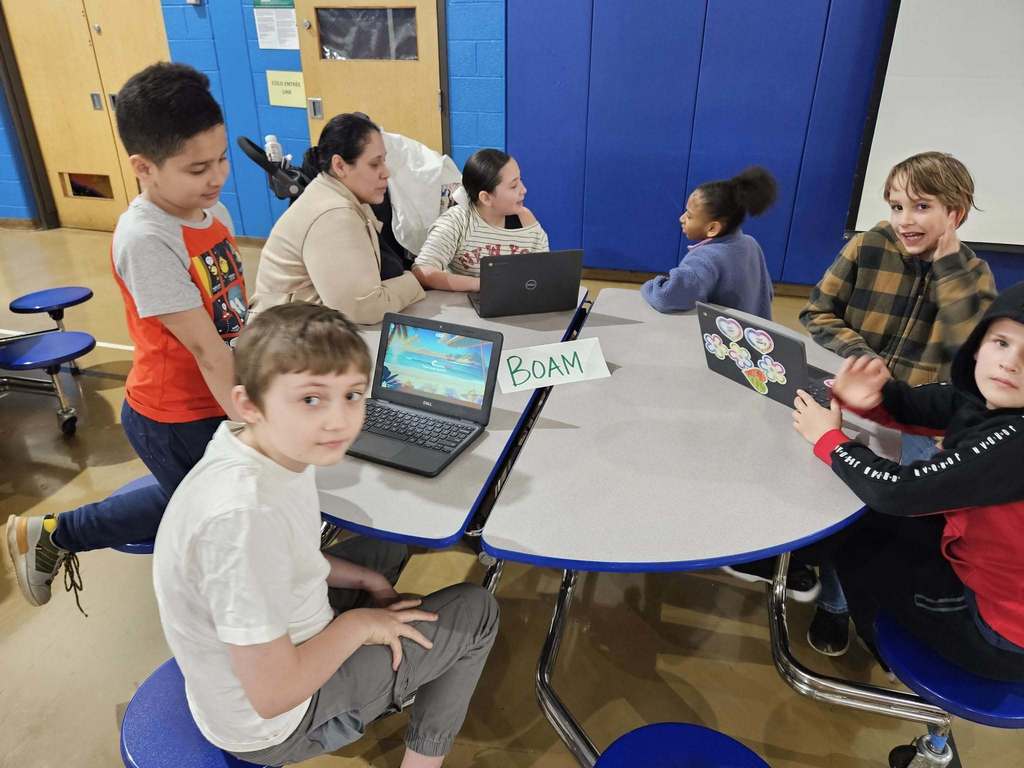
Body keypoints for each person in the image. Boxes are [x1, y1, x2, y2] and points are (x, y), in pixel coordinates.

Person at [153, 302, 500, 766]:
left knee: (386, 544)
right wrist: (359, 626)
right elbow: (273, 695)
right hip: (278, 722)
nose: (338, 420)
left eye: (352, 395)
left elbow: (292, 557)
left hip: (279, 645)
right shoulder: (244, 520)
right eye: (311, 399)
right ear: (248, 403)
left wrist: (365, 580)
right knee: (477, 612)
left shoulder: (259, 445)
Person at [6, 62, 243, 614]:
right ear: (144, 167)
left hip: (214, 397)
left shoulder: (209, 210)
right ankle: (55, 535)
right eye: (198, 167)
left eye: (222, 158)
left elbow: (230, 315)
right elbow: (207, 349)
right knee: (215, 515)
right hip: (175, 414)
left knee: (194, 500)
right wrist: (251, 421)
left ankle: (48, 533)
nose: (217, 177)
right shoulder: (147, 237)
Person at [795, 150, 997, 655]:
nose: (905, 220)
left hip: (919, 424)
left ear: (956, 213)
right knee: (828, 498)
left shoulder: (973, 275)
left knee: (885, 517)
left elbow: (970, 356)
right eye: (896, 206)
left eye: (922, 207)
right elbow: (817, 312)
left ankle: (843, 605)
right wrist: (862, 355)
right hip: (853, 400)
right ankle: (817, 582)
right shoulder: (869, 246)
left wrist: (948, 265)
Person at [790, 281, 1024, 682]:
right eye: (1001, 343)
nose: (1010, 363)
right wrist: (871, 399)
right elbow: (915, 406)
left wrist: (829, 439)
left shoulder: (1014, 444)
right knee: (868, 523)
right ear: (979, 343)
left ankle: (883, 652)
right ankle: (796, 564)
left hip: (999, 635)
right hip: (976, 563)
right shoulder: (982, 395)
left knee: (853, 541)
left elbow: (896, 490)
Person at [250, 113, 425, 324]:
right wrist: (416, 279)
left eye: (384, 161)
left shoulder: (336, 196)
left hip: (294, 327)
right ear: (340, 166)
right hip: (281, 336)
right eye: (374, 164)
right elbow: (365, 309)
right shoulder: (332, 213)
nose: (386, 172)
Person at [641, 166, 776, 318]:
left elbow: (666, 297)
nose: (682, 218)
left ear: (712, 228)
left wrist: (650, 285)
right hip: (756, 329)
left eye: (689, 216)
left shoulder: (705, 259)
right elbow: (767, 292)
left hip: (724, 332)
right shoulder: (751, 243)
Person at [412, 148, 549, 293]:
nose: (524, 190)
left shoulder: (525, 221)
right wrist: (482, 284)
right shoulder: (457, 221)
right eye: (513, 186)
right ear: (486, 198)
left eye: (520, 180)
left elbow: (544, 273)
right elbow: (422, 272)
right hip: (466, 305)